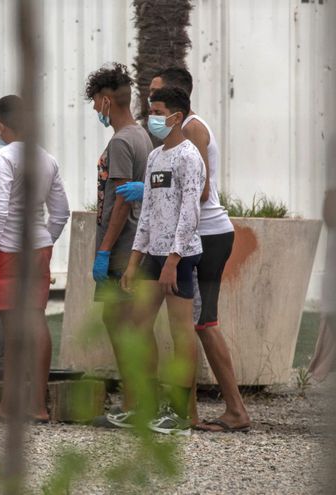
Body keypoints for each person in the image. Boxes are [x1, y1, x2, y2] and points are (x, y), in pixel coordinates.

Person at [118, 67, 251, 432]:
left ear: (177, 102)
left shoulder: (190, 133)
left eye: (156, 99)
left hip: (203, 236)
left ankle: (194, 413)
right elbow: (155, 209)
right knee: (179, 324)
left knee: (201, 324)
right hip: (173, 240)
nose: (150, 107)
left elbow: (199, 195)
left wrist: (172, 251)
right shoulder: (162, 150)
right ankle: (162, 409)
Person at [0, 95, 70, 424]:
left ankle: (9, 404)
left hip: (8, 248)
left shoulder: (2, 157)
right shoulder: (47, 159)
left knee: (13, 330)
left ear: (0, 126)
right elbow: (60, 212)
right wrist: (46, 241)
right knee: (37, 321)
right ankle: (38, 406)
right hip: (38, 247)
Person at [120, 87, 206, 436]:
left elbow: (190, 211)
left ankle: (180, 413)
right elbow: (148, 214)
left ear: (177, 116)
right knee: (138, 326)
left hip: (179, 257)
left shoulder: (189, 157)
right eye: (150, 111)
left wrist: (174, 258)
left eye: (158, 111)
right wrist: (133, 260)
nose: (152, 118)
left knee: (180, 331)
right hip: (151, 255)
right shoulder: (155, 157)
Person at [83, 63, 154, 428]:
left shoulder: (123, 141)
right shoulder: (140, 135)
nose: (95, 109)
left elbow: (122, 202)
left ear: (107, 100)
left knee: (122, 325)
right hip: (130, 244)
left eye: (96, 102)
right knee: (124, 324)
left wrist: (104, 250)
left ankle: (135, 405)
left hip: (123, 247)